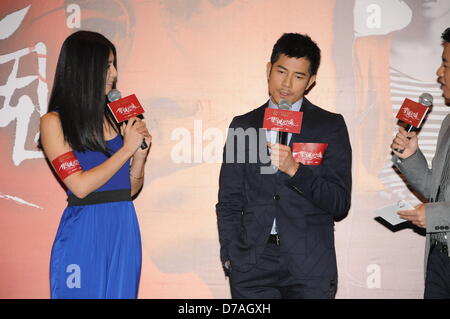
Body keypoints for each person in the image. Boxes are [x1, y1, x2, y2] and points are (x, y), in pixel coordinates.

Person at [216, 33, 352, 299]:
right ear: (268, 70)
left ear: (311, 81)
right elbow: (229, 199)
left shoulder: (329, 126)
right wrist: (232, 255)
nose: (287, 84)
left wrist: (296, 171)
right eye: (281, 71)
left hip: (309, 266)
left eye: (299, 76)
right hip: (253, 265)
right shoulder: (244, 125)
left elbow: (339, 203)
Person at [39, 31, 151, 299]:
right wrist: (126, 150)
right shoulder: (53, 122)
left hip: (123, 226)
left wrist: (139, 156)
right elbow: (79, 185)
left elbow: (130, 189)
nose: (113, 74)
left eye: (114, 65)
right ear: (84, 69)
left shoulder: (116, 117)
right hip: (85, 229)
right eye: (105, 66)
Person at [392, 27, 450, 299]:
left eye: (446, 65)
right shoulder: (449, 123)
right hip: (439, 258)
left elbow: (439, 208)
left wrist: (438, 216)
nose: (439, 73)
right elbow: (435, 191)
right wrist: (410, 156)